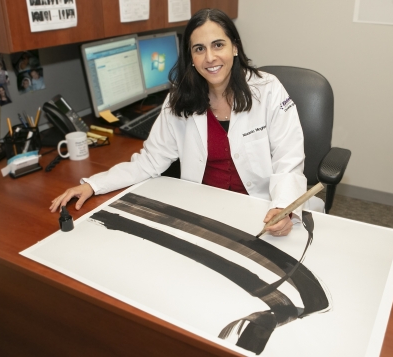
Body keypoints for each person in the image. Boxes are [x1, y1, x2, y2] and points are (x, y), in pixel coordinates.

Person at [50, 8, 322, 236]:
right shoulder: (179, 100)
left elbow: (289, 159)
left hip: (262, 210)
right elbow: (149, 162)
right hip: (202, 215)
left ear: (235, 47)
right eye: (199, 49)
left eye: (218, 45)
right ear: (190, 57)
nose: (210, 58)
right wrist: (92, 185)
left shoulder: (268, 89)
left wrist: (283, 206)